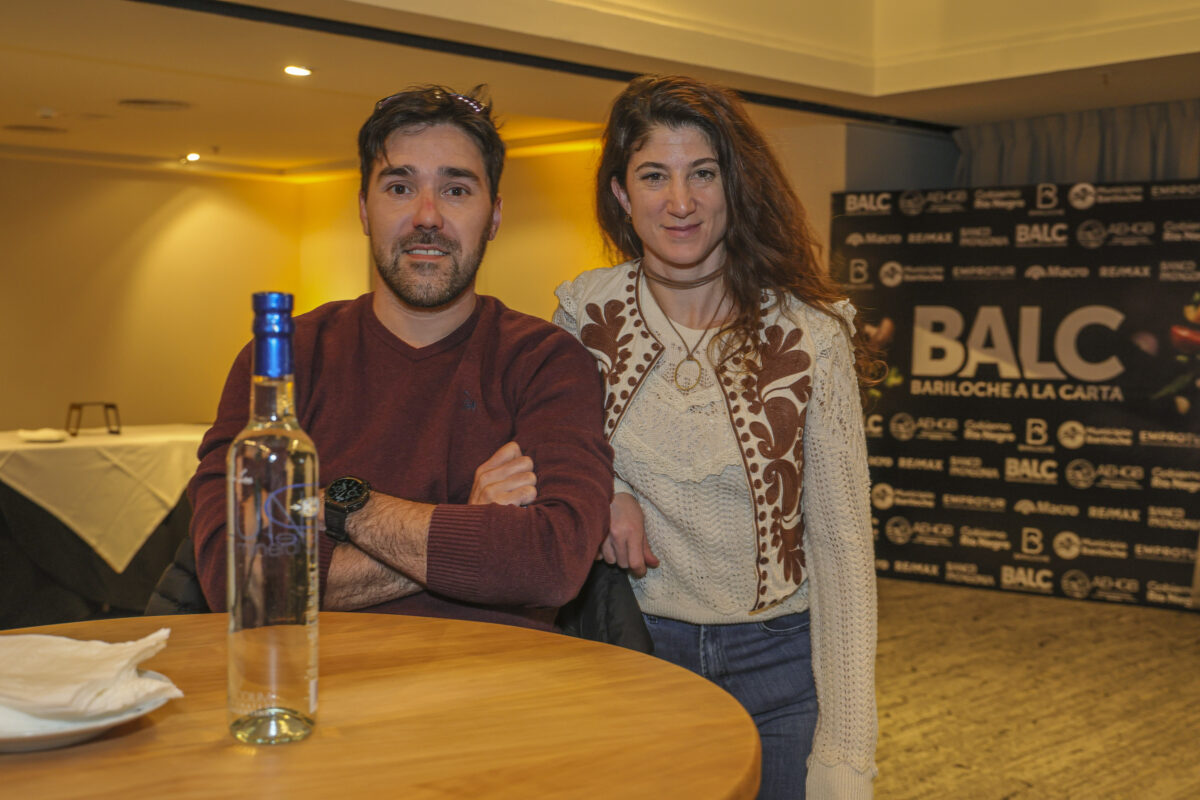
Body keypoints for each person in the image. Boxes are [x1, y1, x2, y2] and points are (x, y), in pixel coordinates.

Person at [554, 75, 880, 798]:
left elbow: (843, 551)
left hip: (781, 668)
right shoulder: (583, 316)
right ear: (620, 193)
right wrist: (607, 489)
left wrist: (847, 751)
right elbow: (549, 446)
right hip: (634, 654)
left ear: (735, 185)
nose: (680, 201)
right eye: (654, 175)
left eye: (703, 173)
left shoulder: (811, 336)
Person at [189, 85, 613, 632]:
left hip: (497, 678)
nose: (426, 216)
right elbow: (240, 577)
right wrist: (467, 521)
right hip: (318, 677)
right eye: (399, 187)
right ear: (364, 210)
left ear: (494, 216)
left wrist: (345, 508)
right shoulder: (283, 358)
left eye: (456, 189)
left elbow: (551, 563)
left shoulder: (545, 362)